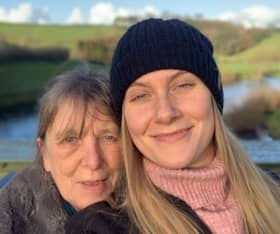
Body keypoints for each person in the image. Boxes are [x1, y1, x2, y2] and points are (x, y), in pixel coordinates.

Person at [66, 18, 280, 234]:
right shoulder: (100, 228)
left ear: (214, 94)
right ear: (125, 118)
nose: (166, 113)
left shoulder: (275, 193)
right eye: (141, 95)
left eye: (183, 85)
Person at [0, 67, 121, 233]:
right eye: (70, 140)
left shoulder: (156, 210)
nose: (93, 161)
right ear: (45, 154)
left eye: (108, 137)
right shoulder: (10, 214)